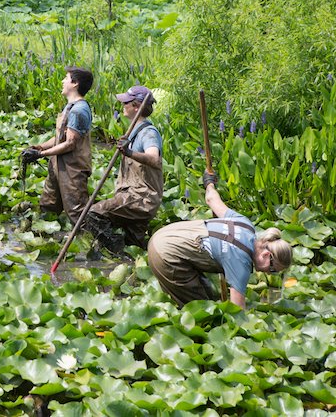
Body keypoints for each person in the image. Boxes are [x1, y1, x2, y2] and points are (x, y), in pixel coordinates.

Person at [147, 172, 292, 308]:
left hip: (164, 234)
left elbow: (211, 199)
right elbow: (237, 311)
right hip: (165, 254)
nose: (268, 273)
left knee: (211, 298)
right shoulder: (241, 263)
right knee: (203, 312)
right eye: (272, 269)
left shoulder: (246, 225)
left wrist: (209, 182)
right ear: (266, 255)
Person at [84, 85, 163, 252]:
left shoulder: (148, 133)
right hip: (131, 194)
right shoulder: (134, 130)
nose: (122, 106)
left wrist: (129, 152)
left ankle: (114, 250)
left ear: (136, 106)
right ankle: (125, 261)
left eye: (125, 103)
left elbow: (154, 159)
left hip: (140, 198)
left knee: (93, 214)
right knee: (134, 248)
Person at [21, 67, 94, 224]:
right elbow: (60, 139)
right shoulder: (69, 107)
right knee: (48, 205)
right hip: (57, 166)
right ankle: (46, 235)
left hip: (72, 169)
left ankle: (87, 241)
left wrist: (40, 155)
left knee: (77, 213)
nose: (62, 81)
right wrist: (39, 147)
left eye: (66, 78)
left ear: (75, 83)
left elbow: (70, 144)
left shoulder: (79, 110)